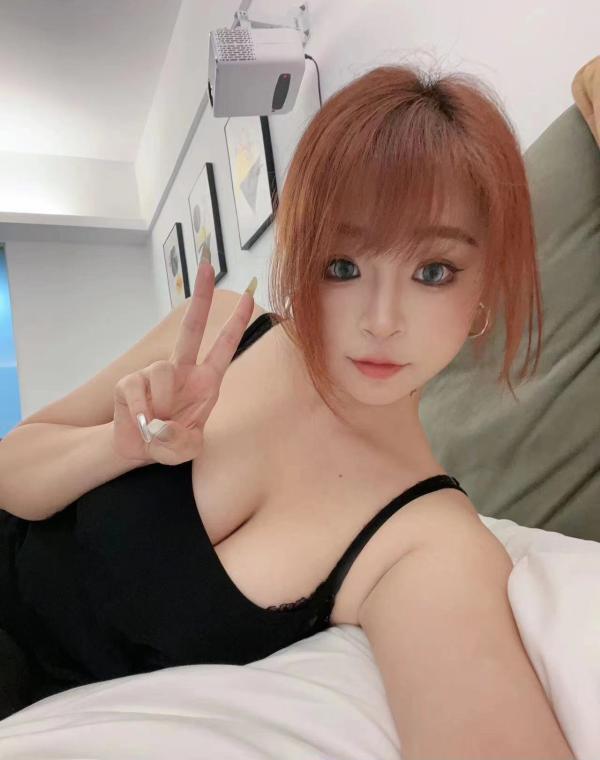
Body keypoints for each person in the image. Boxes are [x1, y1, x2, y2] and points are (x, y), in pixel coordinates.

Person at [0, 59, 583, 758]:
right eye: (343, 266)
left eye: (433, 271)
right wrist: (118, 449)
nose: (381, 320)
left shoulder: (427, 539)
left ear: (484, 280)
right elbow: (12, 467)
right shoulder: (218, 331)